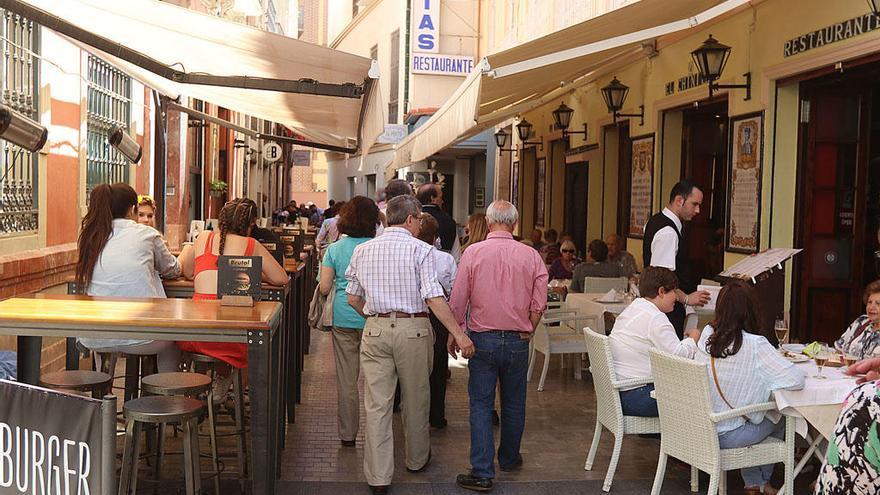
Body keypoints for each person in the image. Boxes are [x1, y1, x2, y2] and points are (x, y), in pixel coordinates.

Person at [345, 195, 474, 495]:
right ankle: (416, 460)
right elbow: (432, 296)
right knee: (417, 397)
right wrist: (459, 332)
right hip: (414, 328)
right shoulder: (422, 250)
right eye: (418, 220)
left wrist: (374, 317)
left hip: (375, 328)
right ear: (412, 219)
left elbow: (351, 296)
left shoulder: (364, 250)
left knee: (377, 405)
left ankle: (378, 477)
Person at [450, 200, 548, 493]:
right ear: (515, 224)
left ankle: (482, 470)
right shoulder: (531, 255)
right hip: (518, 339)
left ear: (489, 223)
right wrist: (529, 327)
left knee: (481, 404)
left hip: (483, 339)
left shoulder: (472, 253)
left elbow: (458, 299)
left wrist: (455, 333)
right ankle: (508, 458)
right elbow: (539, 301)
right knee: (514, 402)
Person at [694, 281, 804, 495]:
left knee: (758, 414)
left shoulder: (708, 334)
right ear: (751, 309)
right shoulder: (756, 344)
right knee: (782, 414)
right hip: (731, 434)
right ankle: (759, 482)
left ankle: (755, 482)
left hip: (703, 428)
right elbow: (795, 379)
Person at [75, 183, 181, 372]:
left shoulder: (93, 236)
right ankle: (166, 393)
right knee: (174, 337)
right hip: (144, 337)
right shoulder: (148, 234)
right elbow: (172, 269)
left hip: (94, 336)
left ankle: (103, 389)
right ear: (133, 209)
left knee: (106, 343)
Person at [178, 198, 289, 370]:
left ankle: (208, 378)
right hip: (231, 336)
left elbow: (188, 271)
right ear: (250, 225)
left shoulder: (204, 238)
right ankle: (229, 381)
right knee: (253, 345)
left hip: (195, 333)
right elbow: (281, 278)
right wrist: (254, 273)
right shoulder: (251, 244)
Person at [318, 196, 379, 447]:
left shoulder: (334, 249)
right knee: (377, 379)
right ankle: (377, 434)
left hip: (343, 316)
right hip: (373, 317)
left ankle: (348, 434)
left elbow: (323, 288)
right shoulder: (377, 247)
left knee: (347, 380)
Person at [608, 267, 701, 417]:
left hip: (616, 392)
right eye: (674, 293)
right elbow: (679, 358)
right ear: (661, 291)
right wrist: (694, 338)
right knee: (697, 397)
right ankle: (687, 439)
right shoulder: (655, 318)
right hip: (637, 397)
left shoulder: (634, 307)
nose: (676, 298)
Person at [643, 180, 711, 337]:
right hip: (666, 311)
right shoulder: (668, 232)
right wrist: (687, 298)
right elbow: (661, 280)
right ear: (680, 200)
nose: (698, 210)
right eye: (694, 204)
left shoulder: (655, 220)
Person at [416, 213, 457, 429]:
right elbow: (453, 291)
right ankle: (436, 414)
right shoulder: (446, 259)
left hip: (415, 314)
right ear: (435, 237)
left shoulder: (408, 254)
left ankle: (403, 405)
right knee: (438, 366)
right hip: (438, 316)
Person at [834, 280, 880, 359]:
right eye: (869, 302)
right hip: (845, 370)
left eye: (878, 303)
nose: (871, 307)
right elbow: (838, 350)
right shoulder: (861, 321)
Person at [417, 183, 457, 251]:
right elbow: (456, 253)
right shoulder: (448, 221)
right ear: (432, 198)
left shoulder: (412, 218)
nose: (442, 201)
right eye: (440, 197)